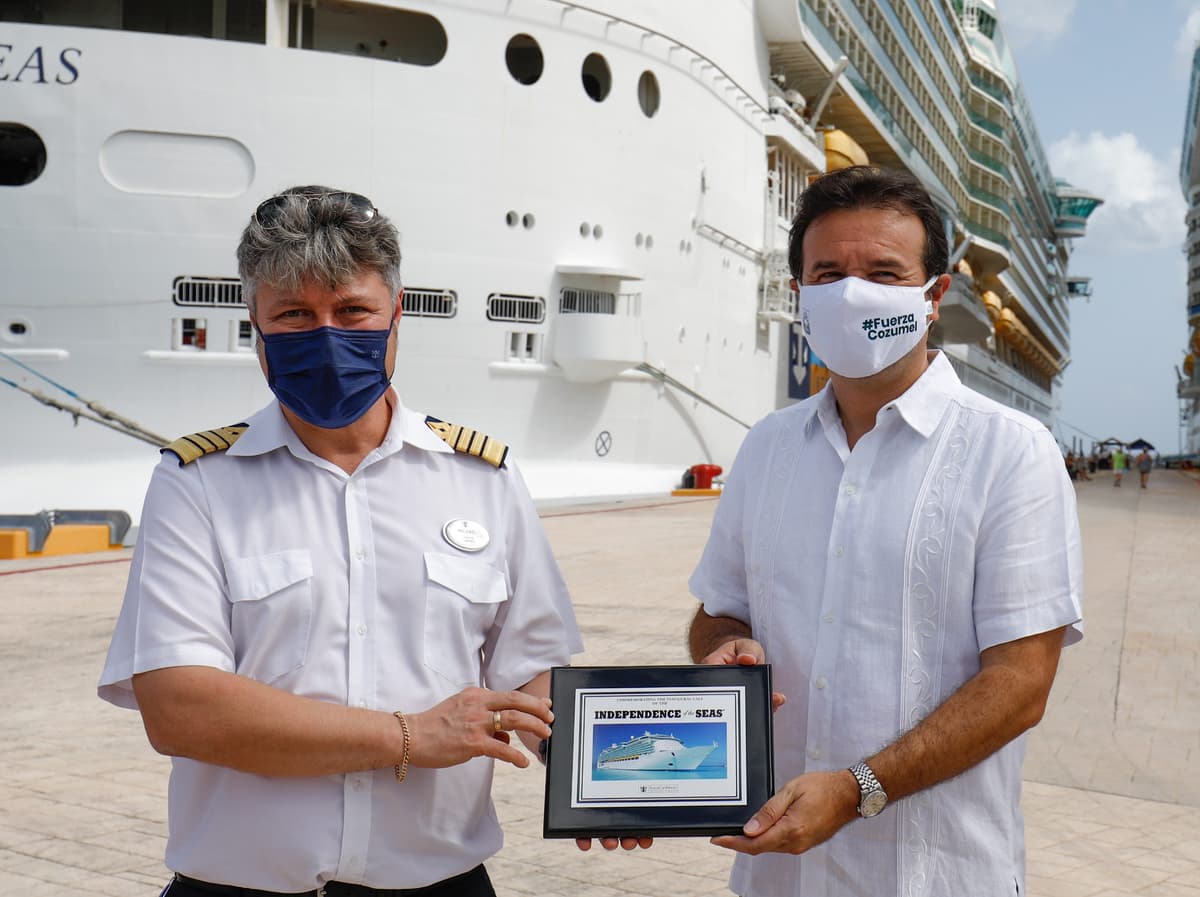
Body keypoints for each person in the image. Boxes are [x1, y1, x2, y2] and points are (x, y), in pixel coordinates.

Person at [98, 187, 584, 896]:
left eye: (351, 311)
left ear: (396, 314)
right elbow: (181, 707)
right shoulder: (198, 483)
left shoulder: (483, 478)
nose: (326, 335)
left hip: (438, 884)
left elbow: (530, 676)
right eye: (294, 315)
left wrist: (603, 780)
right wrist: (409, 735)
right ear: (256, 327)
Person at [687, 166, 1083, 897]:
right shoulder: (766, 448)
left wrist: (858, 787)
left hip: (936, 876)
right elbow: (718, 609)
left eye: (883, 272)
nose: (852, 293)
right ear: (800, 293)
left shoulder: (1011, 453)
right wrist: (723, 648)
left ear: (934, 295)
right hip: (776, 876)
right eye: (829, 273)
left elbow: (1021, 683)